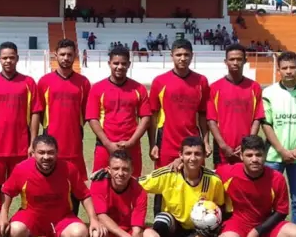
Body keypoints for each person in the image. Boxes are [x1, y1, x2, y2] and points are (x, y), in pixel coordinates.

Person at [0, 135, 104, 237]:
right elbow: (7, 192)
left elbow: (84, 195)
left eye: (50, 152)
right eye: (41, 152)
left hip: (62, 217)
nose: (46, 157)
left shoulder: (69, 169)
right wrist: (3, 216)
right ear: (33, 153)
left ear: (57, 153)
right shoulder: (22, 169)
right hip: (31, 215)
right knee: (14, 231)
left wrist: (93, 219)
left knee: (81, 234)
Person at [217, 135, 296, 237]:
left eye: (259, 155)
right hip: (236, 224)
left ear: (265, 155)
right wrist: (179, 163)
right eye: (249, 155)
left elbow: (281, 211)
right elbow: (202, 173)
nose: (254, 159)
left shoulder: (276, 178)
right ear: (241, 155)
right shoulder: (227, 172)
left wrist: (257, 231)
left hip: (265, 225)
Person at [139, 136, 227, 237]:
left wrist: (211, 230)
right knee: (161, 221)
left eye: (197, 154)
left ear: (204, 156)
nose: (192, 158)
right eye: (188, 153)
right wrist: (109, 173)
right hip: (172, 225)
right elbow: (137, 183)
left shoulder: (213, 180)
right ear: (180, 155)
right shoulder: (168, 173)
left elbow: (220, 208)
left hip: (195, 230)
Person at [89, 150, 161, 237]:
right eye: (116, 168)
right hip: (109, 232)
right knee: (96, 235)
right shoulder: (98, 184)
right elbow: (102, 216)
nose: (120, 173)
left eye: (125, 169)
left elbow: (137, 229)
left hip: (129, 231)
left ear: (132, 170)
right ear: (109, 170)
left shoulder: (140, 191)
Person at [37, 39, 91, 214]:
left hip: (74, 142)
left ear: (75, 55)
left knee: (74, 180)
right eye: (62, 54)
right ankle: (44, 220)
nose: (66, 58)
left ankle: (72, 217)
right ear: (55, 55)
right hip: (50, 142)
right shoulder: (44, 82)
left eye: (69, 54)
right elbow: (38, 113)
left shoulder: (83, 83)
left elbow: (86, 114)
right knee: (47, 180)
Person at [0, 42, 41, 189]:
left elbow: (35, 112)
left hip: (21, 147)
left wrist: (33, 142)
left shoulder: (29, 82)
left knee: (25, 186)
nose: (8, 61)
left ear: (17, 58)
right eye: (4, 58)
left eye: (11, 57)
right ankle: (0, 213)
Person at [86, 46, 151, 177]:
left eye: (123, 63)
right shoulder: (97, 88)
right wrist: (107, 143)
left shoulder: (139, 89)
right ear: (109, 63)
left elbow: (146, 118)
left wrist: (132, 142)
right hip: (105, 146)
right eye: (116, 63)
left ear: (129, 64)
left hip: (131, 146)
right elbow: (92, 118)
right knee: (101, 184)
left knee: (132, 183)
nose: (119, 67)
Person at [261, 51, 296, 231]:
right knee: (268, 196)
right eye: (284, 68)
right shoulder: (269, 92)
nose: (288, 71)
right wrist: (282, 150)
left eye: (292, 67)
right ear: (278, 70)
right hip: (274, 155)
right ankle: (265, 231)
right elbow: (267, 125)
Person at [149, 39, 210, 169]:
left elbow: (203, 114)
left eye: (186, 55)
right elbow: (153, 117)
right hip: (166, 143)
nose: (182, 58)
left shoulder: (201, 81)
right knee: (165, 185)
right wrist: (153, 144)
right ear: (171, 56)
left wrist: (206, 141)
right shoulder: (160, 81)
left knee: (194, 185)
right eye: (178, 55)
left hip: (193, 145)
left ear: (192, 56)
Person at [207, 44, 264, 169]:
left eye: (239, 59)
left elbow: (257, 118)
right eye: (231, 59)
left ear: (245, 61)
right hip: (222, 149)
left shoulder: (254, 87)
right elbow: (211, 120)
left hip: (246, 149)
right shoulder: (214, 87)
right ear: (225, 62)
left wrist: (247, 143)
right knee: (221, 184)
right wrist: (223, 145)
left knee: (245, 185)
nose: (235, 62)